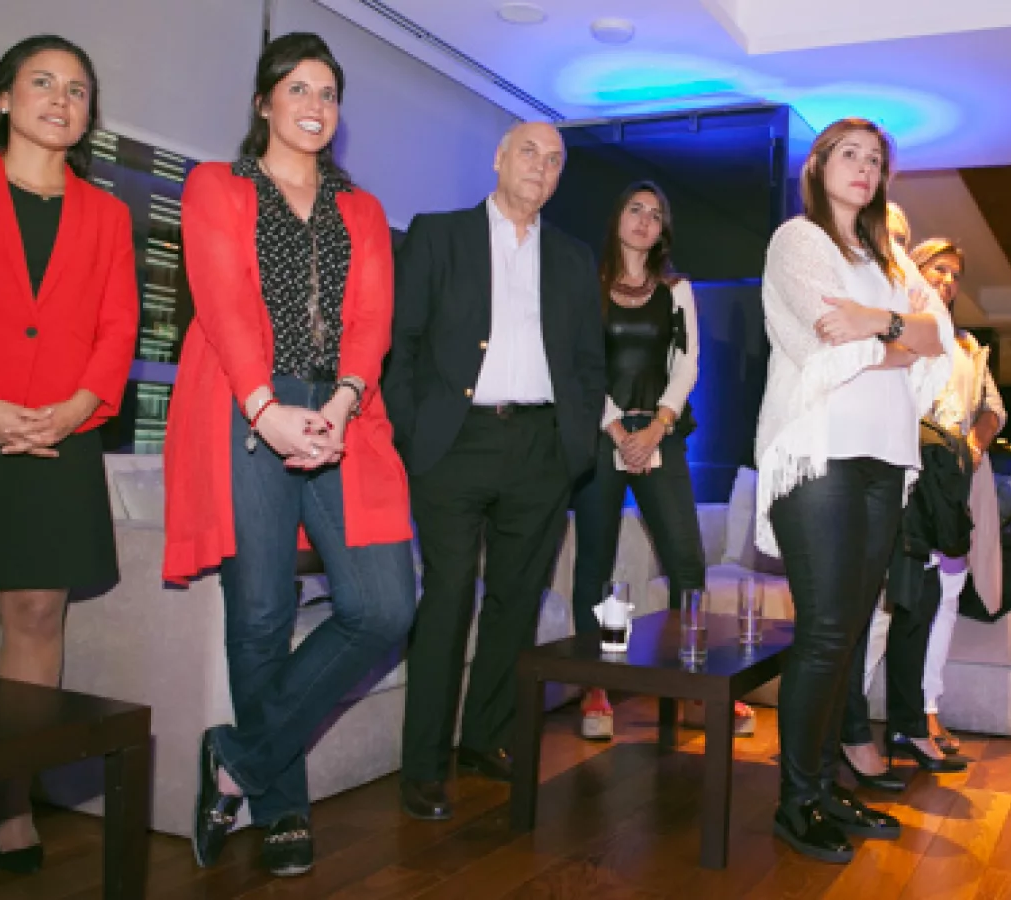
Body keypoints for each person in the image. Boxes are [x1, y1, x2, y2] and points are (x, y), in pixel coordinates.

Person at [163, 33, 417, 878]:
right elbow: (223, 300)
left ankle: (237, 757)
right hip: (245, 408)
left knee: (384, 605)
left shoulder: (363, 210)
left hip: (346, 413)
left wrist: (341, 405)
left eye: (329, 93)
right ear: (264, 101)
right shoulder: (216, 186)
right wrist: (265, 407)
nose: (315, 105)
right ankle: (281, 809)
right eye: (298, 88)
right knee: (262, 612)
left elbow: (372, 321)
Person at [0, 35, 137, 883]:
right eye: (42, 82)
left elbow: (119, 326)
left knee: (40, 612)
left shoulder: (108, 214)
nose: (61, 99)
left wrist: (78, 408)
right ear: (5, 99)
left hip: (63, 434)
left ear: (89, 115)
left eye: (78, 89)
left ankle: (15, 797)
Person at [384, 121, 606, 822]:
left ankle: (485, 739)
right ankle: (424, 765)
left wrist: (574, 447)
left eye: (555, 159)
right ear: (499, 159)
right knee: (449, 596)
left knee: (517, 602)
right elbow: (401, 343)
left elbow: (588, 362)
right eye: (529, 153)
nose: (541, 166)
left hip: (541, 449)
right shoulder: (438, 235)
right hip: (455, 444)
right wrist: (413, 432)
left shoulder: (572, 257)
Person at [756, 117, 954, 863]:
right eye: (850, 154)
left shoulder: (891, 257)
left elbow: (938, 337)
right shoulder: (799, 240)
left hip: (884, 457)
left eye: (875, 159)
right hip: (820, 452)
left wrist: (879, 322)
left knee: (849, 635)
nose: (865, 168)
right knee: (825, 633)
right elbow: (827, 336)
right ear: (818, 166)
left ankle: (823, 784)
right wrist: (895, 336)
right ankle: (796, 801)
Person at [568, 181, 753, 741]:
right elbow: (582, 363)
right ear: (617, 218)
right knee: (594, 564)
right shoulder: (588, 286)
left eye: (655, 214)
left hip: (661, 433)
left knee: (688, 562)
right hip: (602, 434)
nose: (645, 220)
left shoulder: (677, 289)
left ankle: (689, 686)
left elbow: (687, 364)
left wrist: (654, 428)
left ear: (663, 230)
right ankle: (594, 686)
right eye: (635, 209)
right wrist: (617, 428)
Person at [841, 236, 1005, 784]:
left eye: (955, 274)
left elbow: (992, 408)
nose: (947, 280)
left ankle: (908, 725)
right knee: (881, 608)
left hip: (941, 480)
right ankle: (847, 726)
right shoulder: (898, 322)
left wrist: (972, 444)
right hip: (896, 468)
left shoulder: (965, 344)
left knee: (924, 602)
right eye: (938, 268)